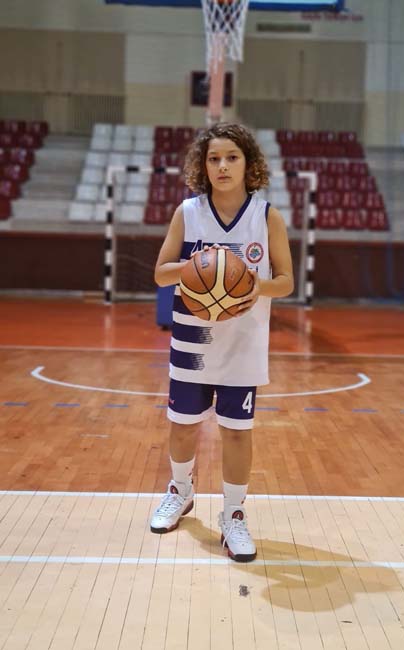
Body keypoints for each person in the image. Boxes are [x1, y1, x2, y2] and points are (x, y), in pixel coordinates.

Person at [151, 123, 294, 562]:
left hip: (243, 344)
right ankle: (181, 490)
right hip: (192, 342)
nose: (223, 166)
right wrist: (198, 268)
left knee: (236, 432)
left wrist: (253, 284)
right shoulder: (188, 212)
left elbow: (286, 282)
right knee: (183, 425)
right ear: (203, 165)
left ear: (248, 164)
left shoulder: (265, 216)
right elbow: (161, 274)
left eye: (232, 157)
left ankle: (233, 514)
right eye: (213, 158)